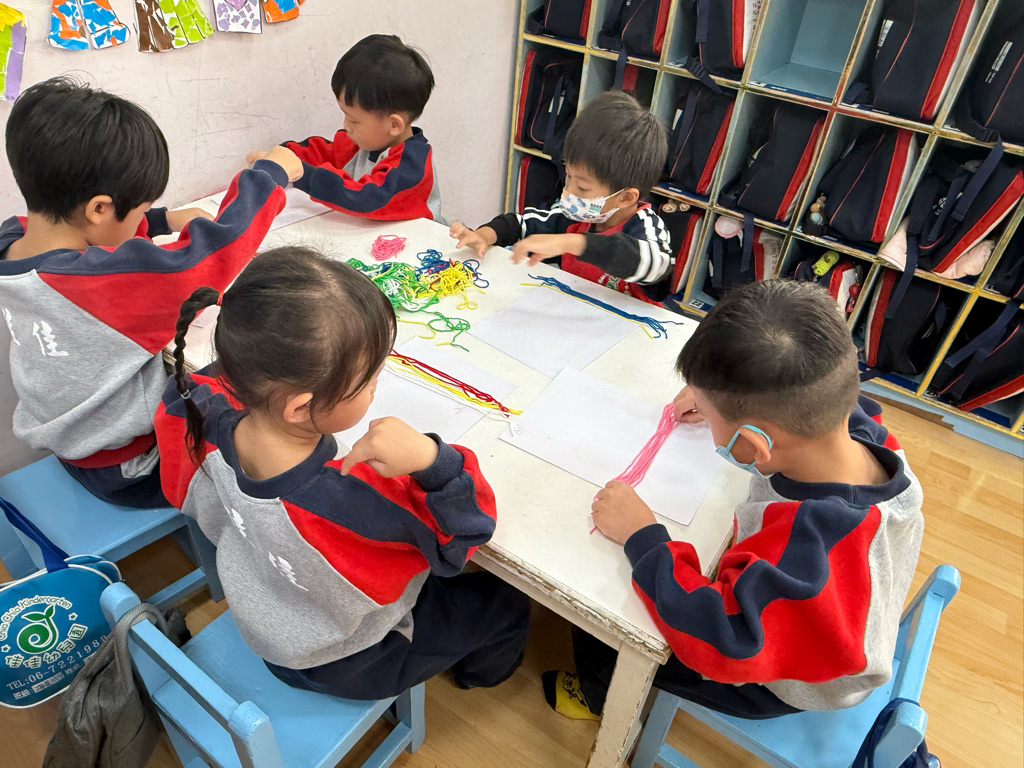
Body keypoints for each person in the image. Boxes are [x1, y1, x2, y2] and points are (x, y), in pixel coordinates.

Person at [155, 247, 530, 699]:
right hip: (348, 658)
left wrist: (254, 344)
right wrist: (432, 459)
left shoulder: (195, 418)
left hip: (265, 620)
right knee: (508, 603)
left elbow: (200, 388)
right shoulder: (352, 504)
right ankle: (478, 678)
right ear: (300, 407)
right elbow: (464, 537)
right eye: (368, 379)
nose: (376, 386)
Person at [544, 280, 925, 719]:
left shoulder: (808, 555)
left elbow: (722, 639)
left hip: (779, 679)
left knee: (604, 621)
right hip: (822, 626)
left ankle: (595, 697)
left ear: (756, 445)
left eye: (709, 419)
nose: (705, 420)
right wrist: (715, 397)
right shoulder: (863, 436)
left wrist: (642, 537)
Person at [0, 76, 302, 508]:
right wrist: (269, 176)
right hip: (133, 467)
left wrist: (158, 219)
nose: (142, 215)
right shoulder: (93, 284)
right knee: (262, 387)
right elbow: (213, 254)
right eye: (138, 209)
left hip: (73, 445)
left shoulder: (14, 243)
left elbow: (103, 239)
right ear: (99, 208)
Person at [450, 91, 672, 304]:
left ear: (625, 197)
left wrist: (572, 243)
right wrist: (484, 236)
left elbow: (656, 266)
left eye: (582, 187)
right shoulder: (573, 216)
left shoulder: (646, 227)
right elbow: (520, 224)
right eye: (568, 177)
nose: (569, 192)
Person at [248, 34, 441, 221]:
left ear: (393, 125)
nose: (345, 126)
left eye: (354, 121)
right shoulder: (362, 142)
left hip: (421, 240)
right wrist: (282, 156)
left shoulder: (412, 165)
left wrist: (301, 173)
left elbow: (366, 198)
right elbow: (324, 152)